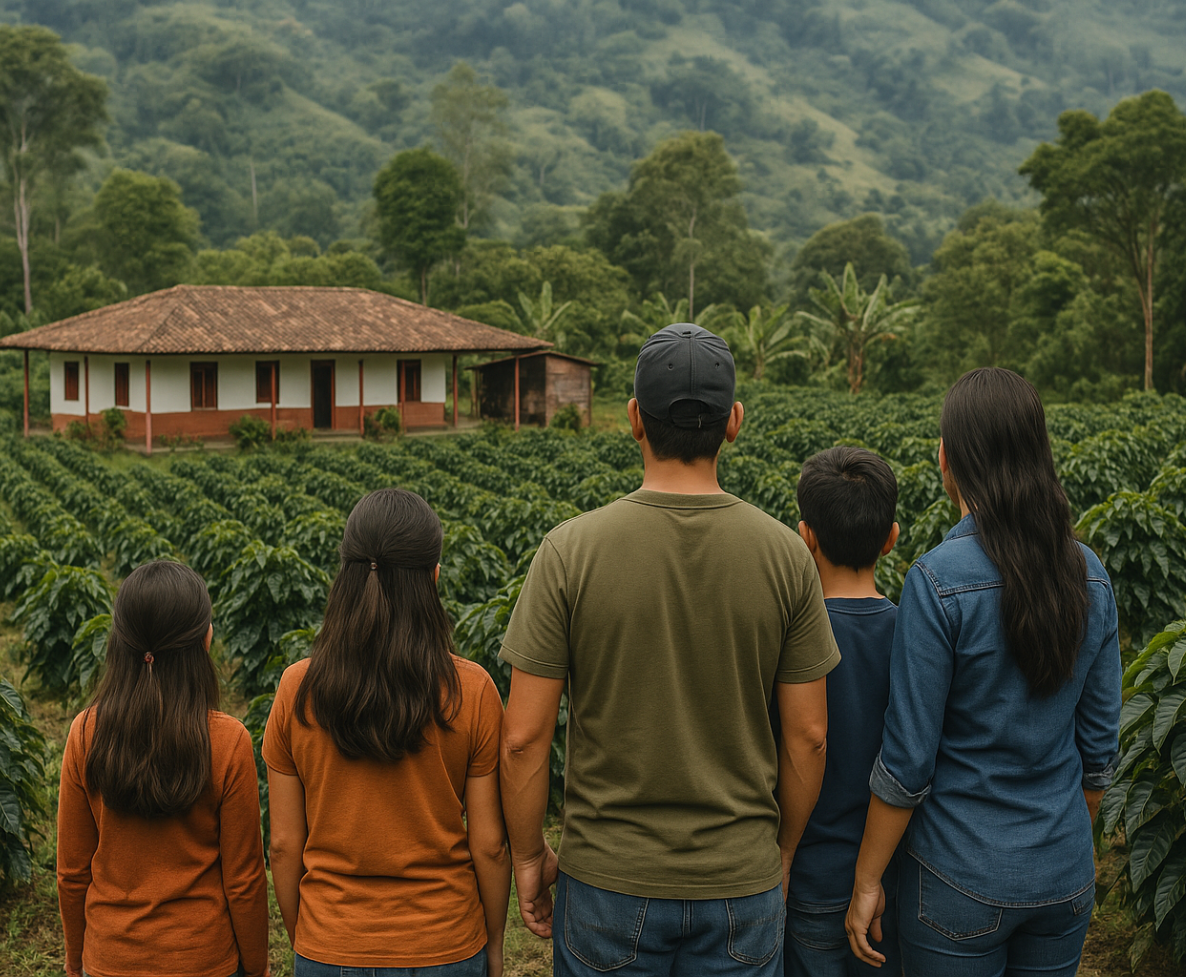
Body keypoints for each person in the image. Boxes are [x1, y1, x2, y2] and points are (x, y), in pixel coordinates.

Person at [499, 322, 840, 976]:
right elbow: (809, 736)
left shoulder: (569, 551)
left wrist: (526, 855)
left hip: (607, 880)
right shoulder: (787, 557)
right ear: (734, 421)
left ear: (633, 418)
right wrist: (783, 853)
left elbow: (522, 738)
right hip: (740, 880)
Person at [844, 368, 1122, 977]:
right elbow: (1098, 755)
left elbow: (907, 762)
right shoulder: (1091, 574)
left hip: (957, 878)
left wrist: (868, 881)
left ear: (948, 459)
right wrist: (1055, 846)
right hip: (1063, 874)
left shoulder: (937, 580)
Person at [264, 487, 509, 977]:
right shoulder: (471, 689)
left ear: (346, 577)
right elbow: (489, 845)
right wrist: (496, 947)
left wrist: (308, 940)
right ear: (434, 578)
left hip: (330, 944)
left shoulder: (297, 689)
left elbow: (284, 846)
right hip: (446, 944)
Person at [57, 560, 268, 977]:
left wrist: (74, 959)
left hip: (111, 959)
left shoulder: (85, 733)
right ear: (205, 641)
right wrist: (258, 967)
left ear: (119, 642)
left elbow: (71, 872)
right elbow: (244, 880)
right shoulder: (228, 741)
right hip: (203, 959)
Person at [785, 447, 902, 977]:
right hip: (892, 875)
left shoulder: (790, 640)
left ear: (805, 535)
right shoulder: (915, 634)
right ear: (891, 537)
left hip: (812, 875)